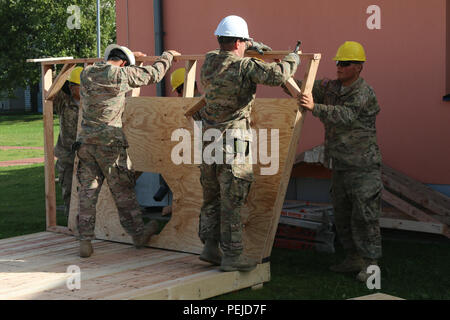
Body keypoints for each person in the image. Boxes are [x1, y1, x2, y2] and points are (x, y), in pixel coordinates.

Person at [198, 15, 300, 272]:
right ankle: (232, 256)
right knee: (232, 199)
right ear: (238, 43)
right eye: (244, 41)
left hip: (208, 141)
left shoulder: (209, 60)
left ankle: (210, 247)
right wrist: (293, 57)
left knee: (211, 198)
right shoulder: (245, 67)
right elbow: (278, 76)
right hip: (232, 142)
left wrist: (252, 44)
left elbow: (234, 50)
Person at [75, 44, 181, 258]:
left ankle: (85, 241)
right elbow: (154, 75)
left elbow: (110, 66)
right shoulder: (119, 75)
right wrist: (167, 56)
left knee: (87, 192)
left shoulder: (87, 73)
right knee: (123, 192)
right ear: (124, 63)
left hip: (86, 142)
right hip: (109, 144)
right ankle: (138, 235)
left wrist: (132, 58)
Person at [297, 41, 382, 282]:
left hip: (363, 166)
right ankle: (353, 259)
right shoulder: (332, 88)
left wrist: (315, 107)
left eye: (344, 63)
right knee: (343, 215)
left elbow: (345, 115)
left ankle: (371, 267)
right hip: (341, 165)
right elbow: (305, 87)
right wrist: (285, 73)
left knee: (365, 216)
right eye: (337, 62)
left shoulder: (364, 92)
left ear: (358, 67)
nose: (339, 67)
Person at [53, 66, 83, 217]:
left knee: (89, 193)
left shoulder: (91, 103)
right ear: (71, 87)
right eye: (80, 85)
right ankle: (72, 224)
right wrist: (64, 67)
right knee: (69, 192)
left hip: (87, 156)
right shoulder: (63, 102)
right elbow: (51, 90)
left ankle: (89, 224)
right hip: (67, 156)